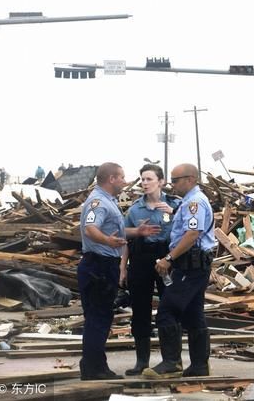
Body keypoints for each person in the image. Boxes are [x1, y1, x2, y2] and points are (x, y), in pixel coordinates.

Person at [78, 162, 159, 380]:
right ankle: (92, 369)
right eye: (122, 177)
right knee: (98, 318)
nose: (125, 181)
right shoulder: (98, 202)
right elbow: (91, 228)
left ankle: (96, 365)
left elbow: (115, 229)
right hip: (99, 266)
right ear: (111, 179)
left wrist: (137, 232)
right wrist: (107, 241)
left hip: (105, 265)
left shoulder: (109, 201)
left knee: (101, 318)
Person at [143, 163, 216, 379]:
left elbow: (193, 233)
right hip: (194, 265)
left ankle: (171, 363)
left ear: (190, 179)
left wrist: (168, 258)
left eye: (175, 180)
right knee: (193, 315)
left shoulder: (194, 202)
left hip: (190, 266)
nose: (172, 185)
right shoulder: (189, 202)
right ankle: (199, 366)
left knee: (167, 311)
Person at [119, 164, 181, 376]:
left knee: (170, 308)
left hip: (167, 258)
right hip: (141, 259)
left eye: (149, 179)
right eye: (142, 179)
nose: (144, 183)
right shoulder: (136, 209)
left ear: (161, 181)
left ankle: (172, 359)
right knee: (140, 310)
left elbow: (189, 232)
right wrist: (123, 267)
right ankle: (141, 361)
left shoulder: (175, 204)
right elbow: (126, 239)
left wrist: (173, 213)